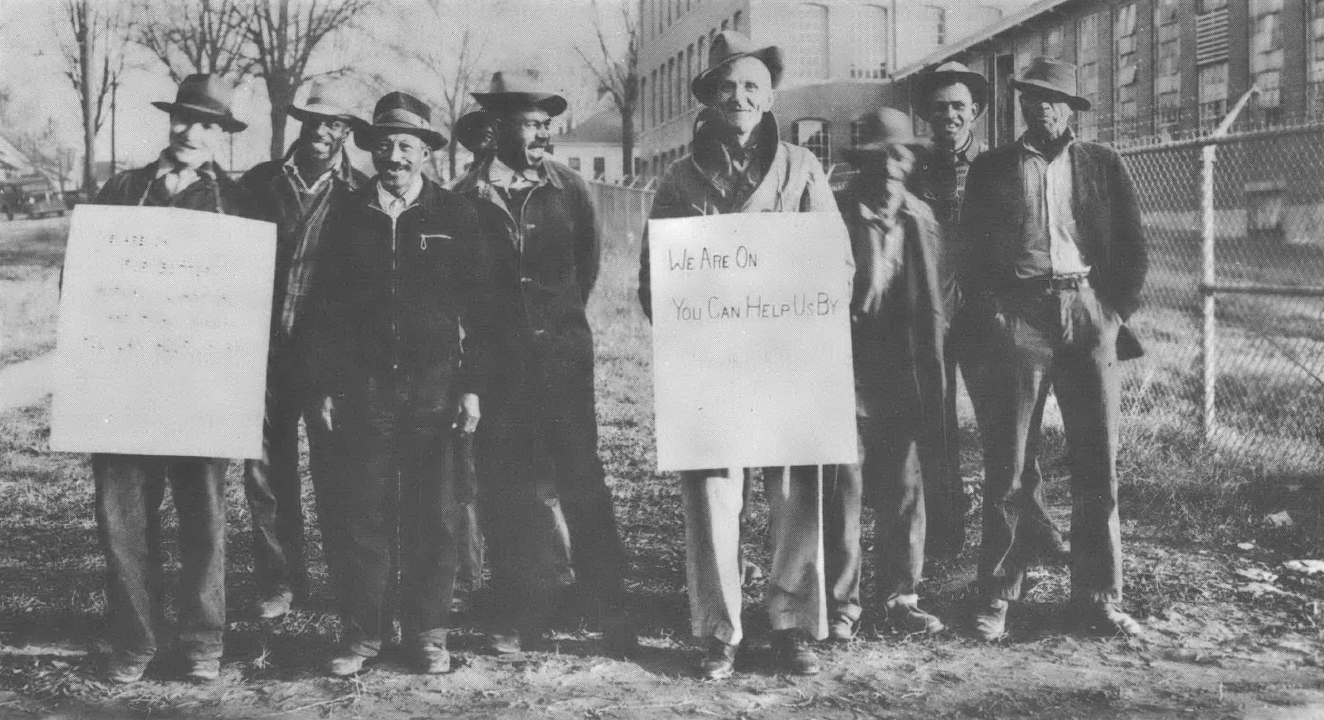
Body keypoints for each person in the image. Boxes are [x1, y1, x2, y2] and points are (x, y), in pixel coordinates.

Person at [637, 31, 845, 679]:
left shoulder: (802, 169)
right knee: (711, 495)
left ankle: (789, 625)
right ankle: (718, 631)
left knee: (795, 493)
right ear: (709, 96)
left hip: (788, 354)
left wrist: (795, 300)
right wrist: (695, 315)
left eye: (752, 85)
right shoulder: (678, 179)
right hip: (711, 361)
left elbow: (836, 264)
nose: (740, 96)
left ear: (769, 96)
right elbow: (654, 282)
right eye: (727, 86)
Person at [959, 57, 1148, 641]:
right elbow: (971, 249)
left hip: (1088, 312)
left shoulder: (1102, 164)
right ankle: (998, 595)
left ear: (1072, 108)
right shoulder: (992, 169)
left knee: (1098, 461)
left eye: (1053, 98)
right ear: (1020, 104)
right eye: (1032, 96)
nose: (1042, 106)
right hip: (1020, 315)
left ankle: (1097, 596)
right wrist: (994, 309)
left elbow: (1133, 246)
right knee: (1009, 462)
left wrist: (1111, 312)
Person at [309, 91, 497, 675]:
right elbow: (322, 309)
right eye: (385, 145)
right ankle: (361, 635)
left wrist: (471, 387)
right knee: (360, 512)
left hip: (434, 388)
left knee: (434, 514)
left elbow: (484, 311)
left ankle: (427, 633)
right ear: (370, 150)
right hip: (362, 388)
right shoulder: (344, 213)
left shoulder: (455, 215)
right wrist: (324, 385)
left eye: (407, 146)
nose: (395, 156)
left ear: (426, 153)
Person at [451, 70, 634, 655]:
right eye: (528, 123)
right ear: (496, 126)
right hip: (496, 368)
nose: (540, 135)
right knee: (508, 486)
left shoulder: (570, 189)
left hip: (562, 363)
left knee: (583, 481)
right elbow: (457, 292)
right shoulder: (462, 198)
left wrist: (555, 330)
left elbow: (585, 268)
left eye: (545, 125)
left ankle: (607, 609)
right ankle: (518, 610)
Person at [92, 74, 255, 684]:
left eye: (207, 123)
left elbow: (250, 299)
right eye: (184, 119)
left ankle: (199, 643)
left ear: (222, 135)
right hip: (126, 379)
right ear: (170, 123)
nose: (191, 132)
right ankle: (133, 641)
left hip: (202, 385)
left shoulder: (236, 202)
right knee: (124, 516)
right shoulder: (124, 189)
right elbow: (85, 281)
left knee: (203, 518)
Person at [909, 61, 1069, 563]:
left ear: (975, 111)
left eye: (958, 106)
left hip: (985, 309)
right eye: (939, 108)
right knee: (935, 425)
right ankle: (944, 534)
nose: (949, 116)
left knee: (1006, 427)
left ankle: (1032, 525)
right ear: (927, 116)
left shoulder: (998, 164)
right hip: (928, 309)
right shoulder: (913, 166)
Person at [238, 81, 369, 621]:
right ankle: (281, 581)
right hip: (260, 354)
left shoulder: (361, 193)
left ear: (346, 132)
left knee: (338, 472)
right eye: (313, 120)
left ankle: (346, 581)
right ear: (298, 122)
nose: (322, 131)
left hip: (327, 361)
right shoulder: (258, 184)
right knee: (266, 475)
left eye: (335, 123)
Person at [824, 108, 946, 642]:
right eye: (880, 157)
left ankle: (902, 596)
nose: (891, 168)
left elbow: (941, 302)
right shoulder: (832, 214)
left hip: (902, 369)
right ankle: (841, 604)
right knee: (844, 483)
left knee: (902, 484)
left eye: (901, 156)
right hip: (845, 365)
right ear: (863, 165)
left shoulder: (923, 220)